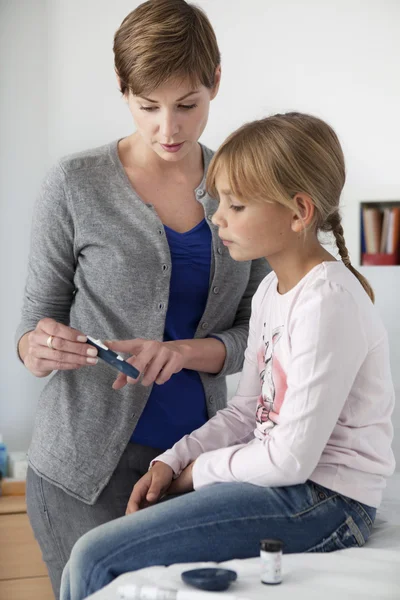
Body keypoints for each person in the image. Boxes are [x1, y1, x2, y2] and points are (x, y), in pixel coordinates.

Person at [59, 112, 395, 600]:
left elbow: (290, 461)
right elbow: (246, 412)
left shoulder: (328, 301)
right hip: (290, 488)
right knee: (92, 551)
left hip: (329, 503)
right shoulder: (270, 295)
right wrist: (174, 459)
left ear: (299, 212)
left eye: (235, 206)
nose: (216, 218)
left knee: (96, 556)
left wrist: (199, 473)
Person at [15, 1, 269, 596]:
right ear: (123, 89)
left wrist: (183, 351)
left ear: (216, 82)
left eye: (188, 106)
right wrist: (38, 346)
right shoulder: (74, 184)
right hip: (80, 473)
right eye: (147, 106)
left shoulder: (244, 186)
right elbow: (32, 329)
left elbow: (254, 336)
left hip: (191, 467)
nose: (168, 129)